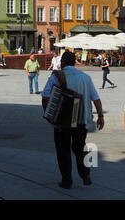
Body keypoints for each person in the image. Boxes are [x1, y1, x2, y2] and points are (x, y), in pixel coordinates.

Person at [41, 51, 104, 188]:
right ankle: (85, 175)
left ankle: (66, 180)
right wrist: (100, 116)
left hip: (62, 121)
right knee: (80, 148)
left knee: (63, 150)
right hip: (81, 119)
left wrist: (49, 115)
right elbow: (96, 99)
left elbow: (45, 97)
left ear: (62, 62)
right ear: (75, 62)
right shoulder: (85, 77)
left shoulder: (56, 76)